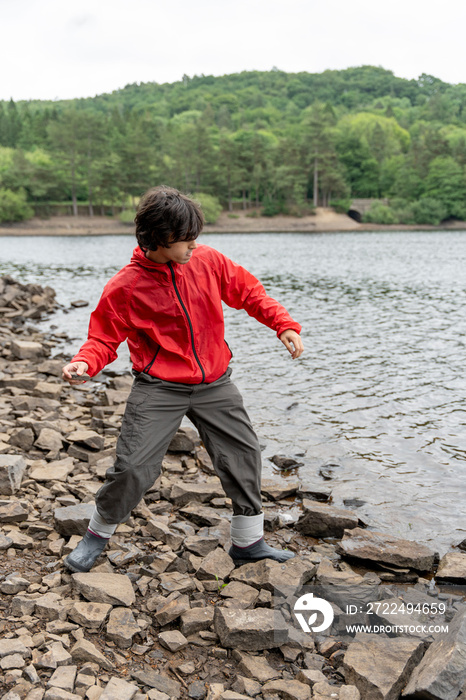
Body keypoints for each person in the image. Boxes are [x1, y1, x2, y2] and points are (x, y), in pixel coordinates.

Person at [62, 186, 304, 573]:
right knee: (133, 468)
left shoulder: (207, 260)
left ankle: (248, 542)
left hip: (215, 383)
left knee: (243, 455)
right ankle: (96, 535)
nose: (195, 246)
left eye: (195, 238)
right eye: (186, 241)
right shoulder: (126, 286)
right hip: (159, 387)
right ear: (159, 239)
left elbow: (250, 293)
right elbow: (103, 338)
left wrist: (283, 325)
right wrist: (84, 364)